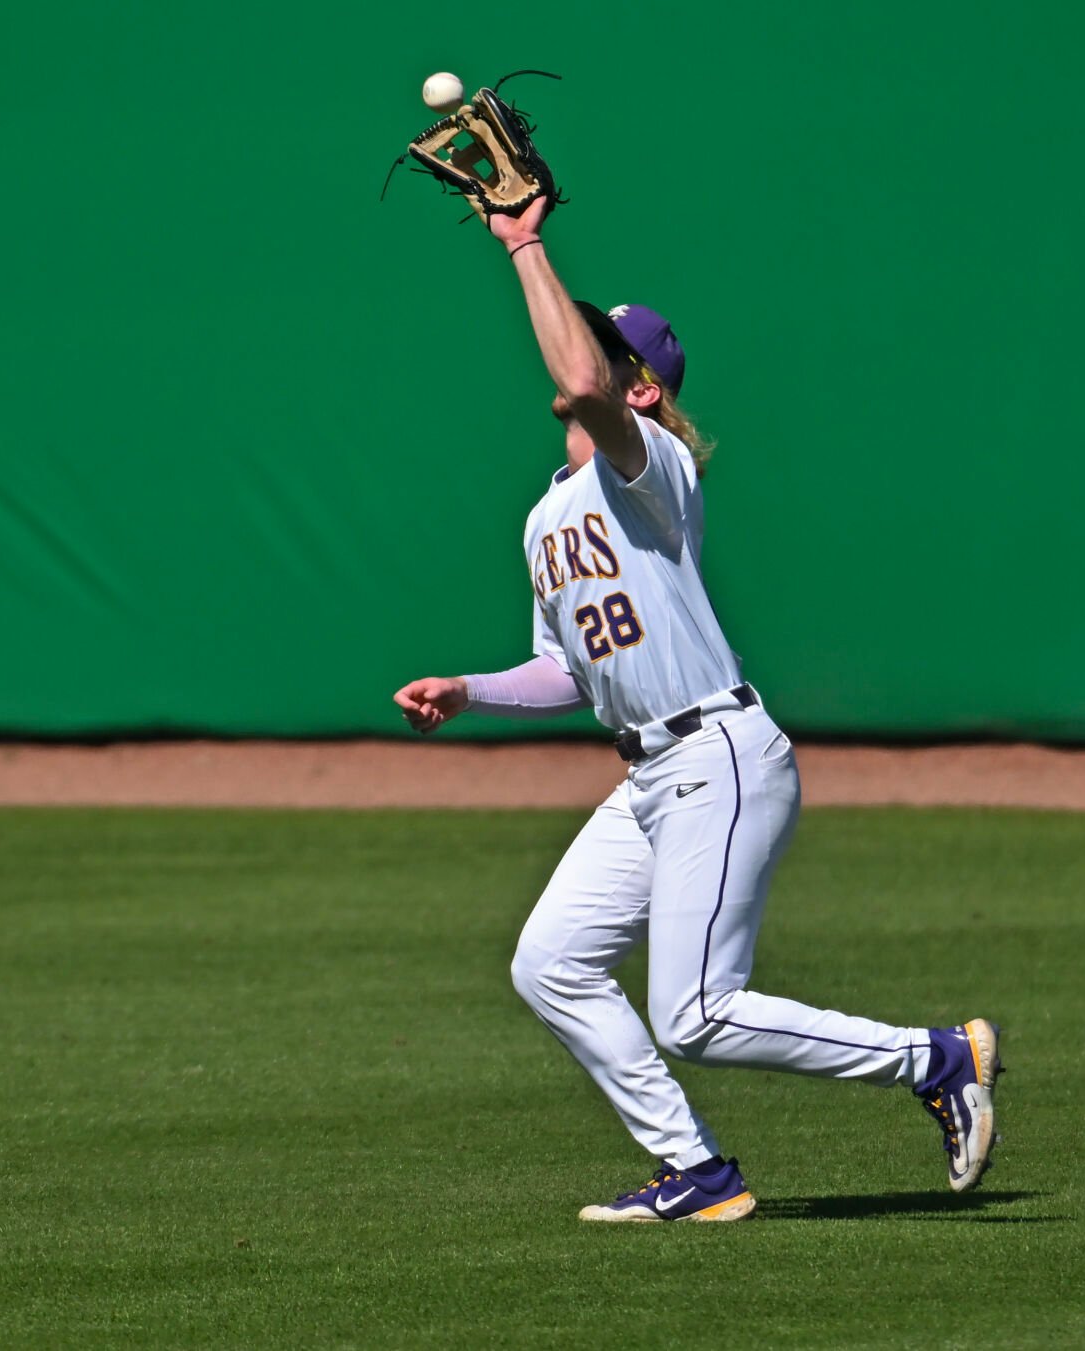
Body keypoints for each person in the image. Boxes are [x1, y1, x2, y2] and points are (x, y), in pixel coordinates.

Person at [393, 196, 1001, 1223]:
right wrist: (472, 689)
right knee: (550, 962)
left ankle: (934, 1059)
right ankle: (699, 1171)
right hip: (649, 774)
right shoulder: (547, 514)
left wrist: (522, 242)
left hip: (717, 753)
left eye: (600, 346)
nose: (574, 354)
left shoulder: (649, 467)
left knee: (698, 1011)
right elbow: (571, 673)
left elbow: (582, 381)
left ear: (640, 384)